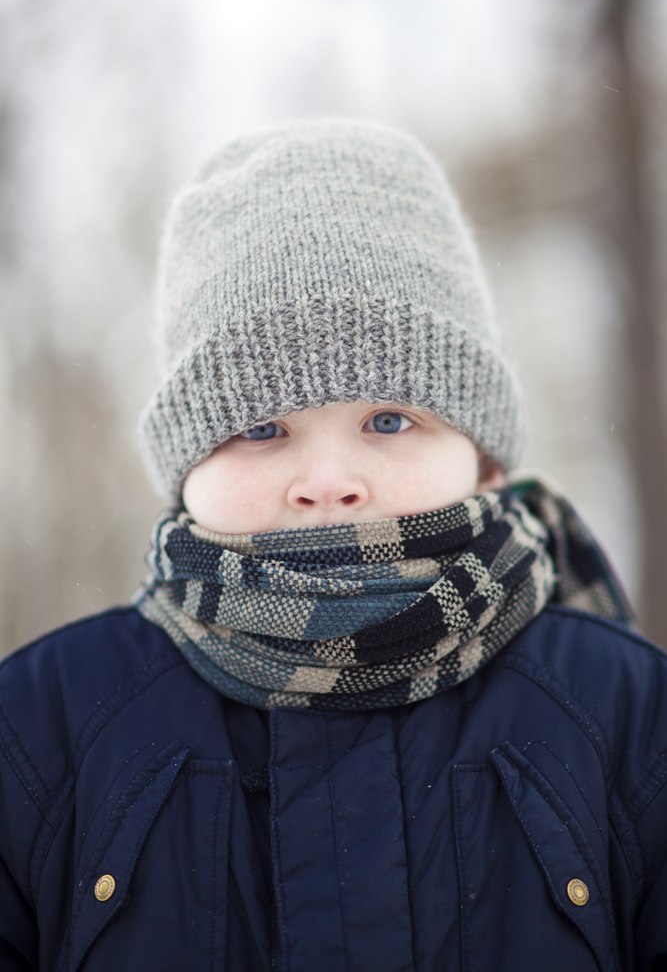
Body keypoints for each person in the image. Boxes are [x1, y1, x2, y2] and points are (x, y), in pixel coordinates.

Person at [1, 119, 665, 972]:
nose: (328, 480)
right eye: (262, 427)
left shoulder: (622, 713)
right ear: (184, 466)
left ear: (484, 456)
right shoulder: (44, 728)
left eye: (389, 420)